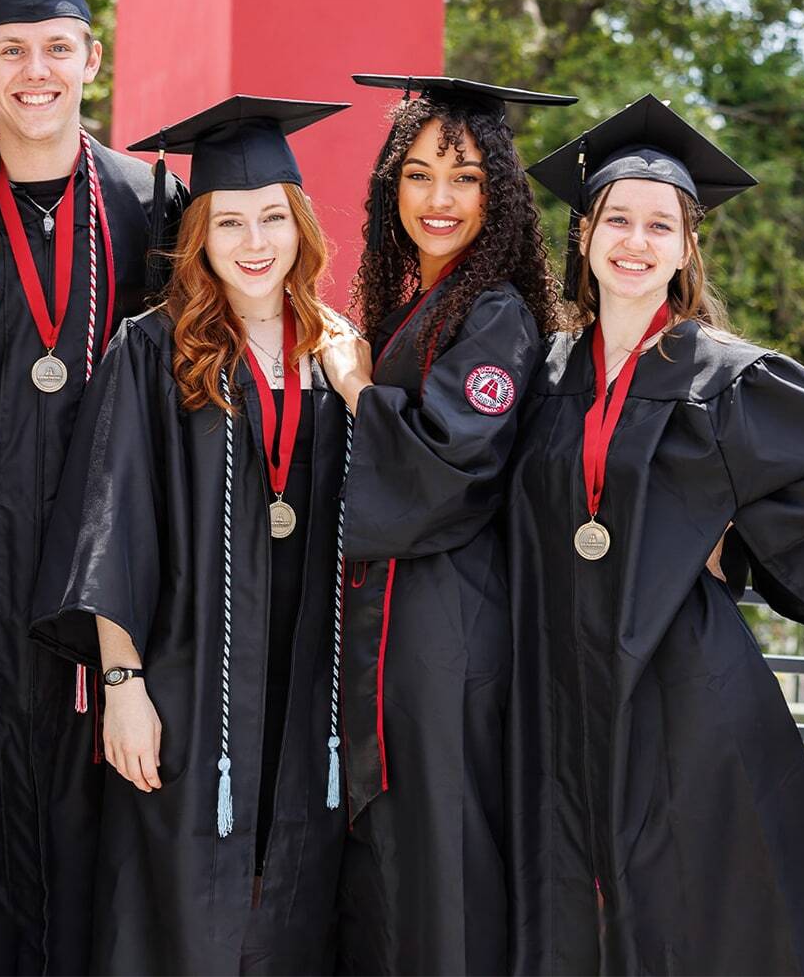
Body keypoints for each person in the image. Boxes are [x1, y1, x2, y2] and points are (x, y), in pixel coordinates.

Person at [503, 94, 804, 975]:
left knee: (700, 903)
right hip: (559, 683)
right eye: (618, 220)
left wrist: (736, 540)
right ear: (584, 235)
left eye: (659, 226)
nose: (635, 242)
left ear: (685, 249)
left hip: (680, 679)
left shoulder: (721, 371)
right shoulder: (548, 368)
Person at [0, 0, 183, 972]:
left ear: (90, 58)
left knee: (97, 821)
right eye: (11, 50)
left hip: (102, 576)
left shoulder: (151, 205)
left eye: (55, 47)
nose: (35, 71)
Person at [34, 96, 356, 973]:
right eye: (230, 222)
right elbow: (112, 519)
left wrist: (360, 388)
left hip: (306, 686)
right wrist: (123, 684)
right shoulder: (153, 350)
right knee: (170, 905)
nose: (254, 242)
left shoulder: (338, 355)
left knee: (292, 899)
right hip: (186, 681)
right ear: (201, 236)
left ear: (300, 226)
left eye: (272, 219)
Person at [316, 73, 574, 975]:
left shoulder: (494, 313)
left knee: (443, 874)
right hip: (397, 640)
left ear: (496, 193)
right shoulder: (410, 306)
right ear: (392, 183)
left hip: (447, 642)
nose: (439, 199)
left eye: (464, 178)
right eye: (420, 173)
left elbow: (446, 469)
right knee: (393, 875)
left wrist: (354, 387)